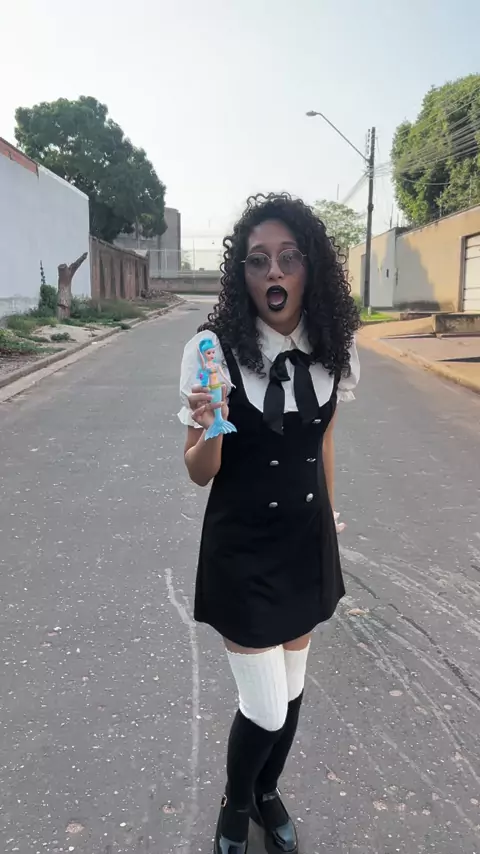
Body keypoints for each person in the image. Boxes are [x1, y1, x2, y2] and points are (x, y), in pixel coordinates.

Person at [178, 193, 360, 854]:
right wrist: (211, 425)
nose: (274, 271)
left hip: (305, 546)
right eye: (258, 261)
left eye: (288, 257)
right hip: (244, 551)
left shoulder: (333, 345)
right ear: (243, 274)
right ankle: (235, 804)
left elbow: (323, 439)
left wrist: (328, 515)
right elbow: (199, 473)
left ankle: (266, 790)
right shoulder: (211, 350)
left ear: (310, 267)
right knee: (264, 706)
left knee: (293, 689)